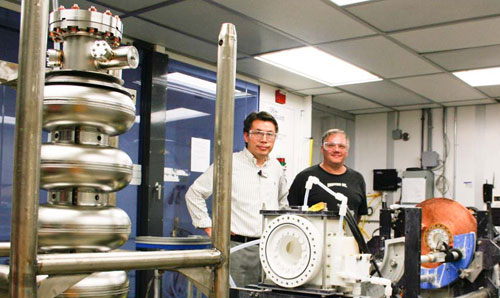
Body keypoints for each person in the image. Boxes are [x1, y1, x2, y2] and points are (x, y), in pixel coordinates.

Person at [185, 111, 288, 287]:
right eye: (258, 133)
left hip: (270, 249)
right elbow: (194, 194)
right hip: (237, 249)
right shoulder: (228, 163)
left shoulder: (276, 168)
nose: (264, 139)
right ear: (246, 136)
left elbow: (283, 203)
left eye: (269, 134)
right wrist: (209, 227)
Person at [287, 129, 367, 221]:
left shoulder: (357, 179)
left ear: (347, 151)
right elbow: (291, 213)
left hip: (347, 235)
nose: (336, 150)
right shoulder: (305, 177)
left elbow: (359, 215)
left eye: (341, 146)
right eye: (331, 145)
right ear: (322, 149)